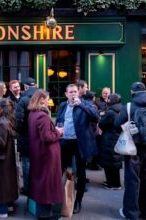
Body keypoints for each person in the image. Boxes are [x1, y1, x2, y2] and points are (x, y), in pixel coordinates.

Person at [115, 82, 146, 220]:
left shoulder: (128, 106)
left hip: (133, 149)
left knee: (132, 181)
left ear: (132, 93)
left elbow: (117, 124)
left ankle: (132, 213)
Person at [55, 84, 99, 214]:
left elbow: (95, 118)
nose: (73, 94)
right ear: (66, 94)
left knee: (81, 172)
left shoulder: (86, 104)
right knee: (64, 170)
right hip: (65, 142)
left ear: (78, 93)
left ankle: (78, 201)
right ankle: (63, 197)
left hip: (80, 143)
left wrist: (81, 105)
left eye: (75, 91)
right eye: (71, 92)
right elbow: (59, 120)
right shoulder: (63, 106)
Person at [28, 90, 63, 219]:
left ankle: (42, 213)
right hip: (47, 155)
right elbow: (47, 137)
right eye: (48, 98)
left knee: (41, 183)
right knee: (47, 185)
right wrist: (59, 132)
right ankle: (45, 215)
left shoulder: (33, 114)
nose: (49, 101)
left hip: (38, 154)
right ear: (42, 99)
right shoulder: (42, 116)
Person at [15, 77, 38, 195]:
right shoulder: (41, 97)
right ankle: (36, 187)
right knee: (37, 161)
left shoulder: (23, 99)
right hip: (39, 135)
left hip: (25, 135)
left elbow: (18, 119)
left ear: (25, 87)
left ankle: (27, 187)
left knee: (25, 161)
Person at [98, 93, 123, 190]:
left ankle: (112, 184)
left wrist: (101, 121)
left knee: (109, 161)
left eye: (109, 98)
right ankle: (115, 183)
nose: (107, 100)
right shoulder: (122, 109)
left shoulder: (110, 112)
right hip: (117, 137)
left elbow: (102, 124)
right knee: (115, 161)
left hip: (109, 138)